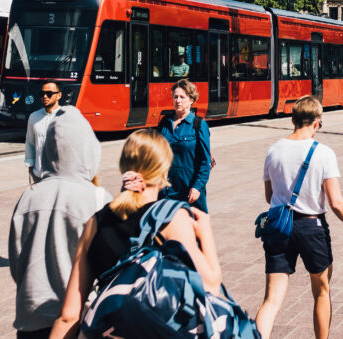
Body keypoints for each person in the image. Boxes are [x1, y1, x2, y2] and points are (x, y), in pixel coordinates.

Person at [50, 129, 223, 339]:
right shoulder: (171, 219)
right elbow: (211, 286)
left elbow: (69, 316)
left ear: (124, 166)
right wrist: (205, 232)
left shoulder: (95, 223)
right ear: (164, 171)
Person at [255, 96, 343, 339]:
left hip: (279, 227)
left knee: (271, 300)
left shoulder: (274, 150)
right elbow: (336, 203)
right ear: (317, 123)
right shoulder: (324, 153)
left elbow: (270, 197)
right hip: (312, 227)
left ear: (292, 120)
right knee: (321, 292)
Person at [9, 110, 111, 339]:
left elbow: (16, 261)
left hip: (30, 316)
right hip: (78, 319)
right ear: (88, 148)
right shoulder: (98, 198)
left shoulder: (29, 196)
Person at [159, 79, 212, 211]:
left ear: (191, 100)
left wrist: (197, 187)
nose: (178, 100)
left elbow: (206, 162)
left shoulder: (199, 125)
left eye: (182, 97)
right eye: (175, 97)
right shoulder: (165, 122)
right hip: (166, 191)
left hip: (189, 192)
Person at [25, 80, 74, 183]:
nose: (45, 96)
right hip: (38, 176)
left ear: (59, 95)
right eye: (42, 93)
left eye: (49, 93)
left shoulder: (67, 117)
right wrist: (31, 174)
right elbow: (30, 145)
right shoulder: (34, 117)